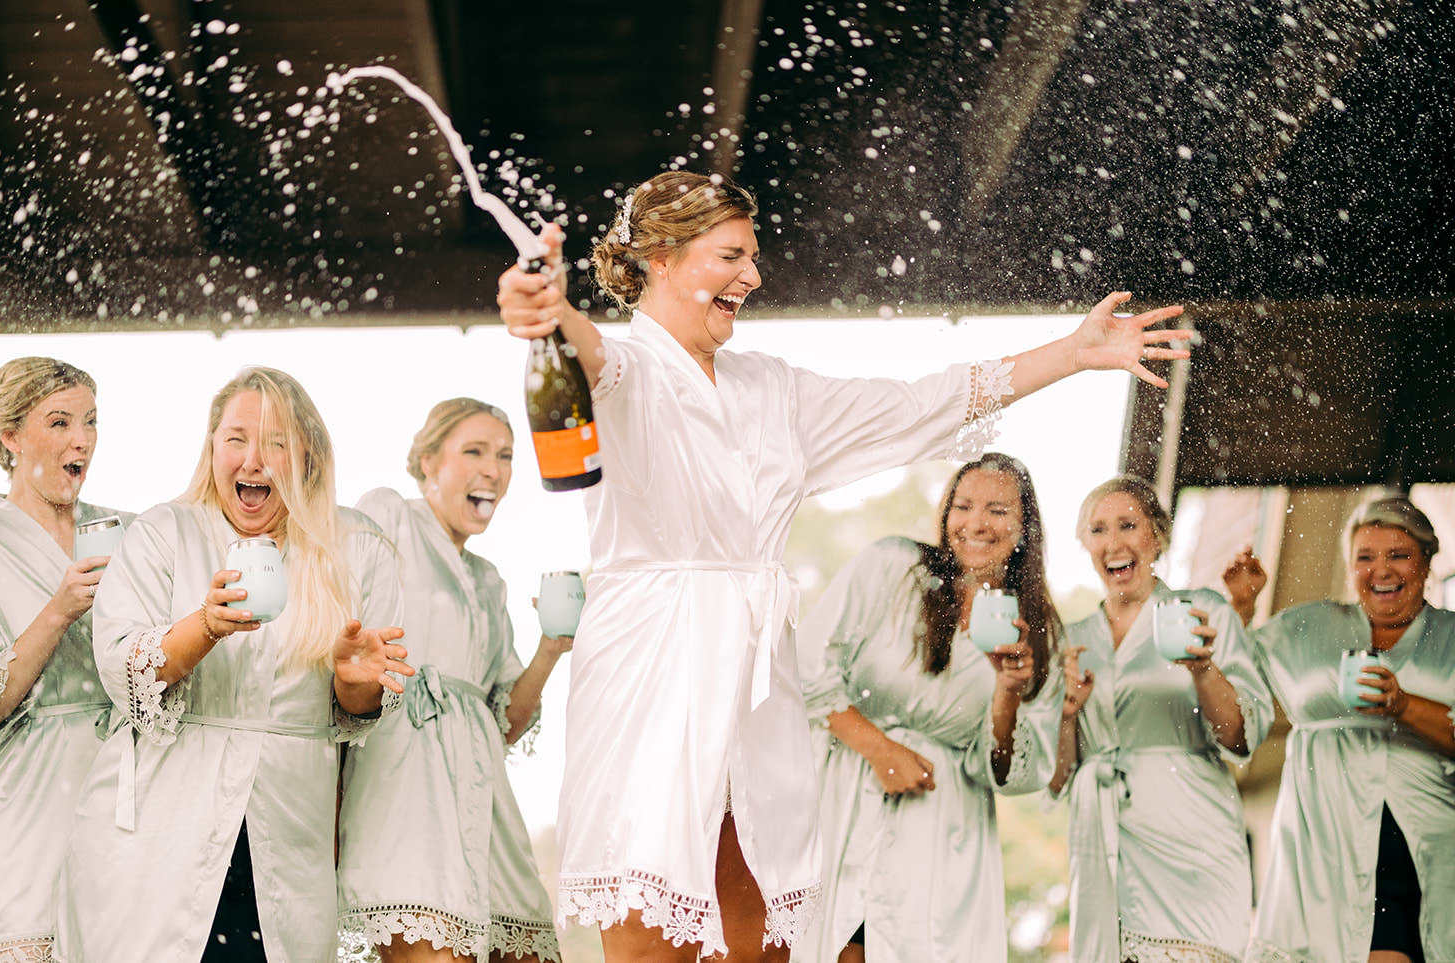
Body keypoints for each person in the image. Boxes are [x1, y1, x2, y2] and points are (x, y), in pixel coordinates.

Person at [496, 169, 1191, 962]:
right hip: (654, 668)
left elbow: (924, 400)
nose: (753, 276)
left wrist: (1070, 353)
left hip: (760, 682)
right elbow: (585, 355)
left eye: (753, 257)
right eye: (731, 255)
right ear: (661, 257)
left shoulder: (774, 391)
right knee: (655, 939)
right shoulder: (628, 369)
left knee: (768, 943)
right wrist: (549, 315)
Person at [55, 367, 414, 963]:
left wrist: (357, 685)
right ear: (212, 448)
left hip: (288, 829)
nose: (254, 460)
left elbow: (362, 710)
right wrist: (205, 626)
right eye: (237, 438)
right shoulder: (164, 532)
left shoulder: (358, 548)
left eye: (277, 442)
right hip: (160, 831)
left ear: (309, 457)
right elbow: (120, 669)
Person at [794, 453, 1064, 963]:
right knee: (833, 944)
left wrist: (1008, 691)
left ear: (1025, 527)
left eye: (998, 510)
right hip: (846, 793)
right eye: (963, 506)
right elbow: (806, 663)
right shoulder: (893, 568)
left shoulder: (1040, 632)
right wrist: (879, 750)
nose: (976, 524)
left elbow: (1017, 773)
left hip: (943, 827)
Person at [341, 398, 566, 963]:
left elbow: (507, 725)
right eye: (474, 451)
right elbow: (342, 631)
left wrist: (551, 647)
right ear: (427, 462)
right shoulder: (388, 516)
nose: (493, 469)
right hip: (402, 783)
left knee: (521, 952)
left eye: (505, 456)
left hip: (481, 792)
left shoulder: (489, 581)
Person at [0, 358, 130, 963]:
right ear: (10, 436)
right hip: (24, 805)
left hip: (124, 797)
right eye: (61, 421)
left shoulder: (129, 530)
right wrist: (58, 611)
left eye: (91, 422)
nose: (82, 439)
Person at [1050, 475, 1272, 963]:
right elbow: (1056, 776)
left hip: (1192, 836)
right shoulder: (1070, 641)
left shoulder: (1203, 612)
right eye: (1098, 529)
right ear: (1085, 544)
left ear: (1158, 536)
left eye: (1128, 525)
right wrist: (1066, 715)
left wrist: (1203, 670)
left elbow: (1239, 737)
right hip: (1102, 841)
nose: (1114, 543)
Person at [1243, 495, 1455, 963]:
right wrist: (1241, 605)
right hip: (1321, 841)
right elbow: (1233, 677)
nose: (1382, 570)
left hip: (1417, 837)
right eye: (1365, 557)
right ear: (1348, 566)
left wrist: (1403, 705)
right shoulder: (1309, 628)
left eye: (1398, 555)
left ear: (1426, 560)